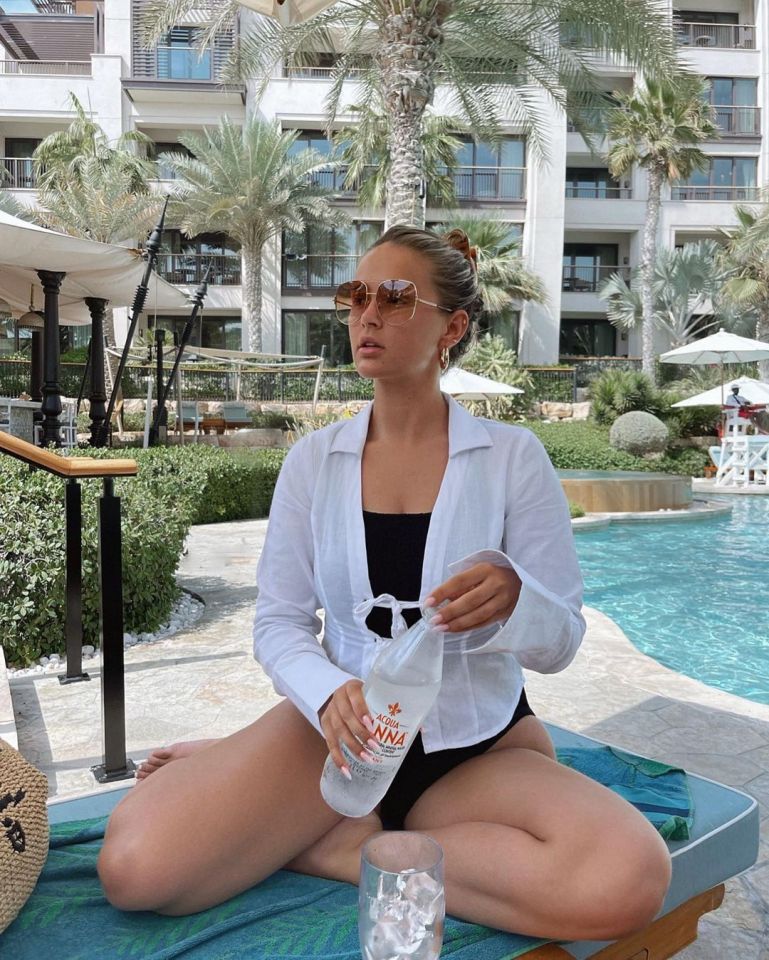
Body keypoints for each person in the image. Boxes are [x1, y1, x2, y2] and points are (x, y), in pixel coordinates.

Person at [97, 226, 671, 942]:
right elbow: (277, 623)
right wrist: (326, 693)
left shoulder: (512, 458)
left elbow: (561, 641)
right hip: (340, 734)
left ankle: (346, 847)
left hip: (474, 747)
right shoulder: (313, 462)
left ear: (451, 327)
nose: (366, 315)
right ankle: (272, 778)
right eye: (356, 295)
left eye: (395, 297)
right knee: (135, 870)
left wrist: (516, 600)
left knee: (626, 876)